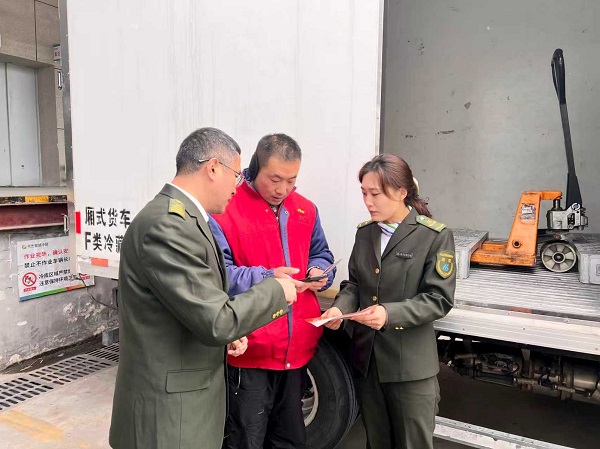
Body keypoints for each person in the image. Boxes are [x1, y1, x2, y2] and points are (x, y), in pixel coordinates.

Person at [109, 127, 298, 449]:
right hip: (168, 417)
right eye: (236, 176)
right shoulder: (167, 225)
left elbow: (187, 305)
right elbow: (216, 321)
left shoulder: (187, 220)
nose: (238, 187)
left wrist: (225, 338)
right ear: (212, 168)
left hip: (182, 407)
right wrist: (277, 291)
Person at [209, 133, 336, 449]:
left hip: (297, 352)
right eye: (275, 179)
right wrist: (269, 278)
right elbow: (219, 275)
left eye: (291, 181)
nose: (283, 189)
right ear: (254, 168)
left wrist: (318, 271)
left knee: (289, 440)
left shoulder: (305, 210)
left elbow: (321, 252)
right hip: (251, 351)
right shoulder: (225, 209)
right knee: (246, 440)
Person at [321, 153, 456, 449]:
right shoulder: (365, 233)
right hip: (369, 364)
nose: (368, 202)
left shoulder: (433, 236)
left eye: (375, 194)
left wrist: (388, 314)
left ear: (401, 192)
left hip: (410, 369)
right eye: (364, 193)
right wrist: (339, 308)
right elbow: (355, 284)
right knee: (377, 441)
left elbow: (438, 299)